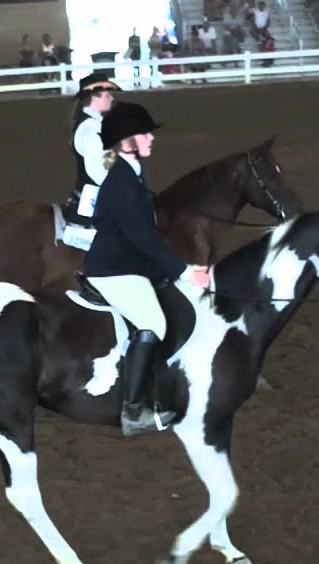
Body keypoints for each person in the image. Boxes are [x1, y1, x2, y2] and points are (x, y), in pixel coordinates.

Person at [82, 101, 211, 436]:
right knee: (153, 322)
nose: (152, 139)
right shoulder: (122, 183)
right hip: (113, 270)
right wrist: (186, 271)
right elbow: (144, 240)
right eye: (145, 134)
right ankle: (133, 411)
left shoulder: (132, 173)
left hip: (130, 264)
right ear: (126, 142)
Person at [63, 72, 120, 227]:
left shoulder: (91, 124)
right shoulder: (91, 128)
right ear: (95, 97)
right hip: (95, 199)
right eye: (107, 95)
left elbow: (105, 163)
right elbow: (96, 172)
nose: (112, 98)